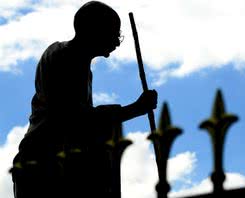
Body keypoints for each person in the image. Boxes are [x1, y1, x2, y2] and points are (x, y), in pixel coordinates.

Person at [11, 1, 158, 198]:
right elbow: (72, 117)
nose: (116, 41)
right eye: (114, 33)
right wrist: (135, 109)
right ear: (94, 29)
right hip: (46, 164)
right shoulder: (63, 57)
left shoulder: (80, 65)